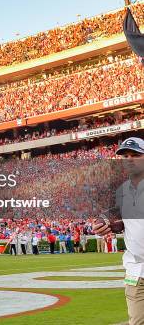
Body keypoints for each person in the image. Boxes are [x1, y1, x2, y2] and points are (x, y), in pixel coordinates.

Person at [92, 137, 144, 325]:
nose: (129, 159)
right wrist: (106, 224)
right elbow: (120, 216)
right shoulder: (122, 190)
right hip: (135, 271)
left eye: (135, 155)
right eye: (125, 156)